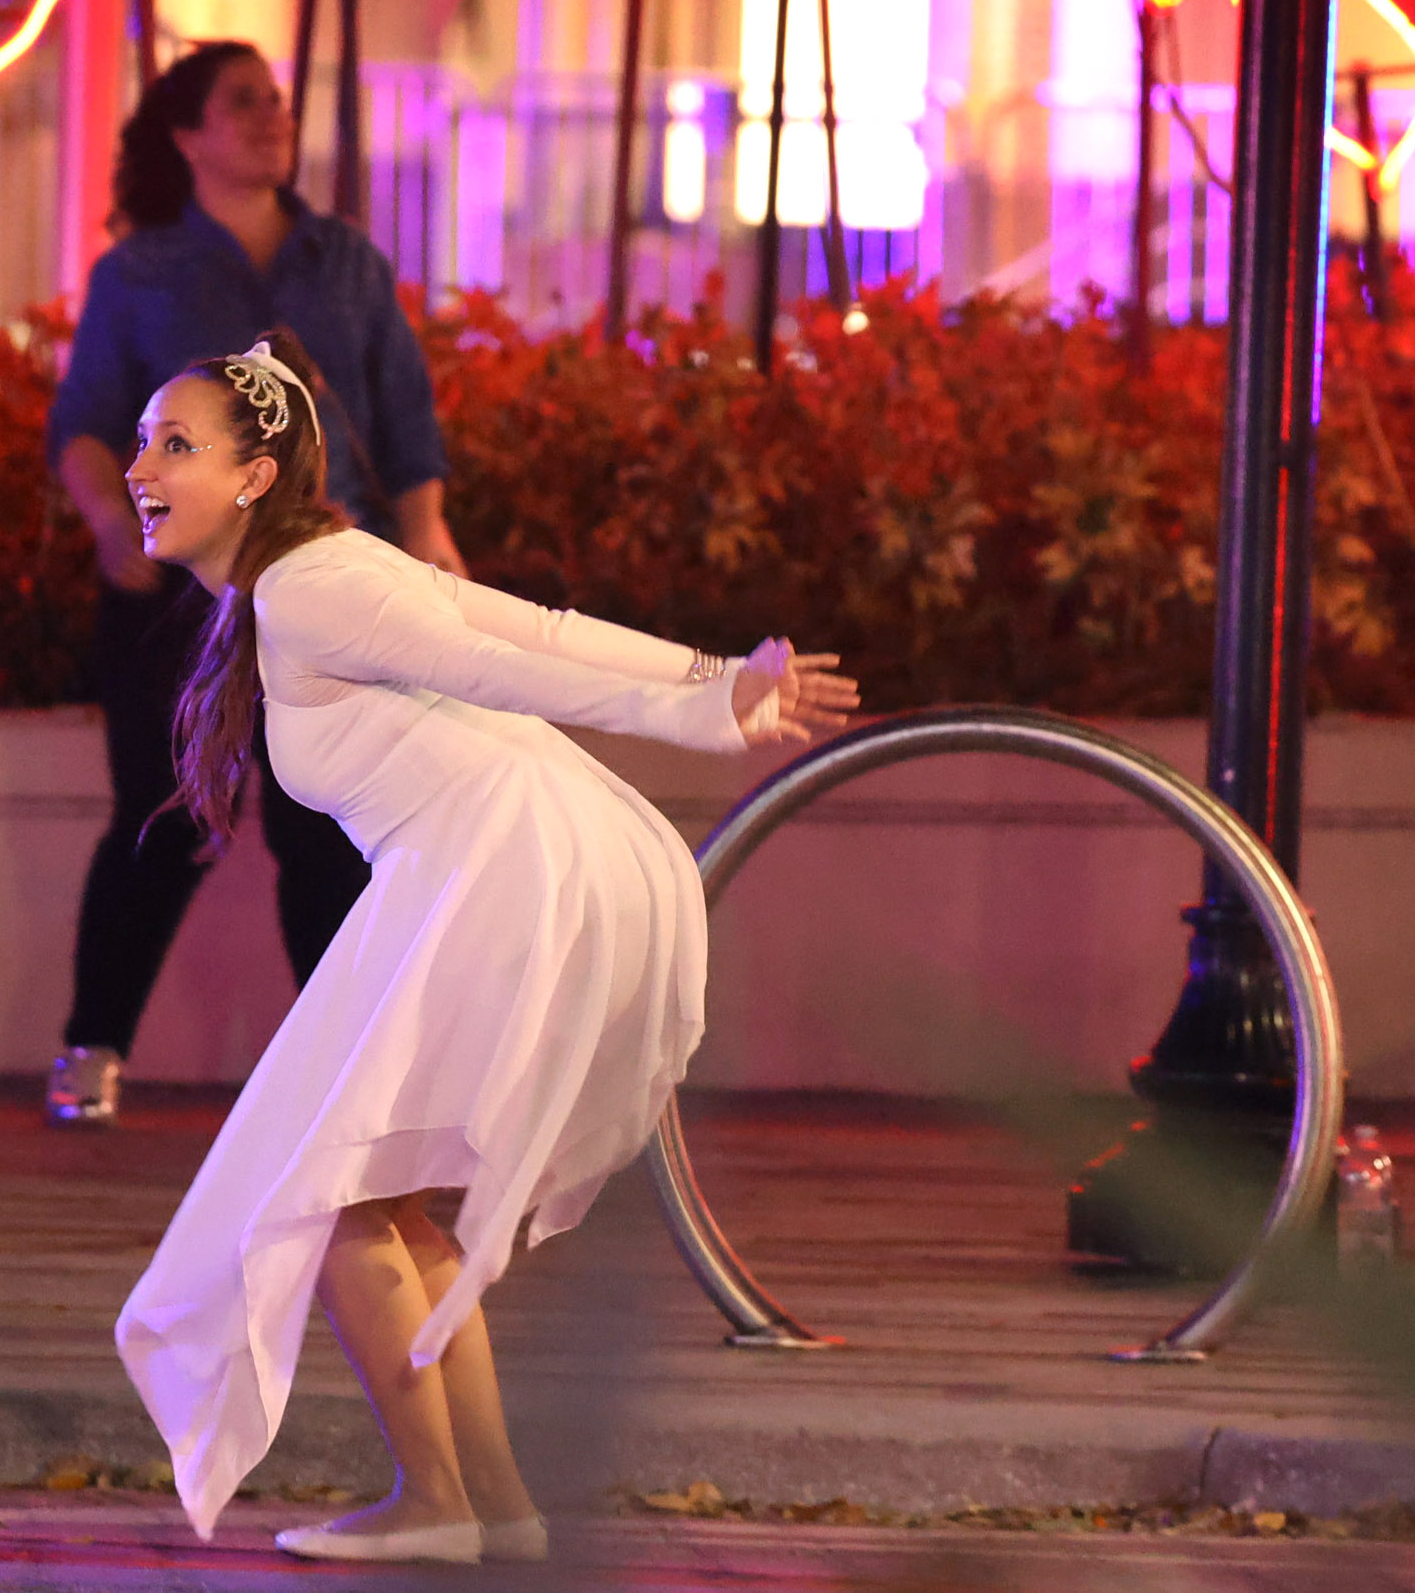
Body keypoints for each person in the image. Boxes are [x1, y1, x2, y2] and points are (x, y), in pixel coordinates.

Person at [112, 330, 858, 1559]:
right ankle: (491, 1506)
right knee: (383, 1201)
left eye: (174, 444)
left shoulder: (308, 584)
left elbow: (504, 661)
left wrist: (700, 705)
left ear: (253, 476)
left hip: (503, 864)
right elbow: (546, 628)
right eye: (145, 439)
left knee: (338, 1190)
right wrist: (713, 676)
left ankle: (437, 1502)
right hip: (514, 857)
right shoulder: (318, 571)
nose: (143, 465)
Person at [42, 42, 462, 1127]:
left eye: (276, 101)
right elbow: (84, 425)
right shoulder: (137, 274)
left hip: (325, 590)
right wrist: (107, 520)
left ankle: (345, 1071)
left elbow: (404, 423)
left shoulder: (346, 264)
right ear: (188, 135)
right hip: (181, 596)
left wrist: (425, 541)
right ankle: (91, 1051)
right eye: (244, 104)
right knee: (163, 814)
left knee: (323, 827)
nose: (272, 118)